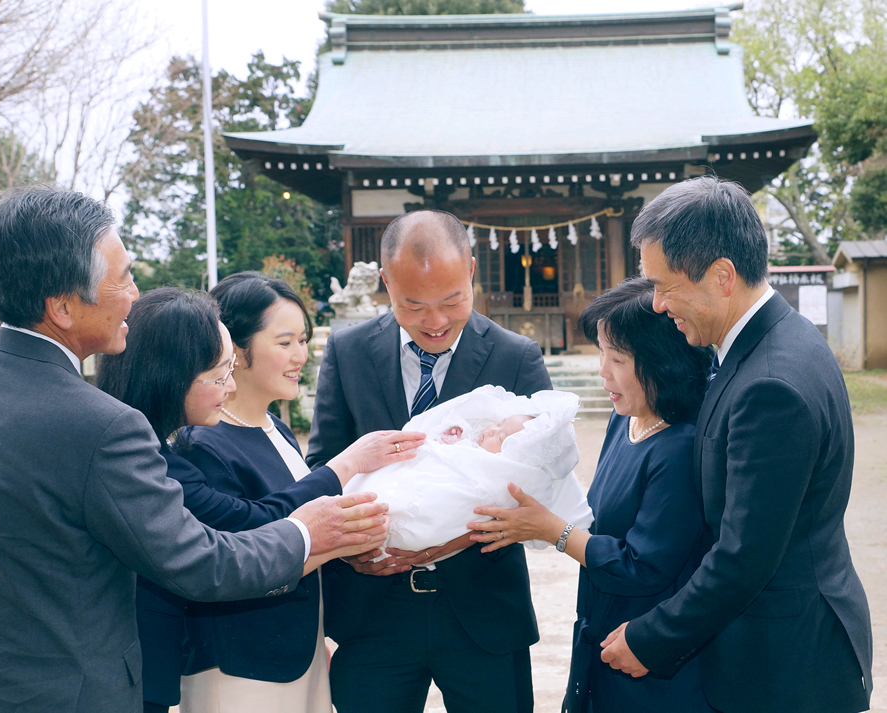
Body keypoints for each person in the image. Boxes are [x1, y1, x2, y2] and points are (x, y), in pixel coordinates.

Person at [0, 187, 390, 713]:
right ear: (63, 307)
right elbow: (201, 562)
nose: (136, 296)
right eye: (123, 279)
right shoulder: (102, 425)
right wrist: (308, 532)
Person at [599, 177, 873, 713]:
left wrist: (651, 637)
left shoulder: (770, 386)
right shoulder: (776, 339)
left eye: (665, 285)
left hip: (787, 666)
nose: (656, 305)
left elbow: (744, 557)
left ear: (722, 276)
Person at [97, 280, 421, 713]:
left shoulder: (276, 429)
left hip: (296, 649)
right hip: (239, 662)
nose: (299, 355)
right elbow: (241, 539)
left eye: (303, 340)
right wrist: (344, 468)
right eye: (285, 341)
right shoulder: (187, 447)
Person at [307, 209, 553, 713]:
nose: (435, 322)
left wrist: (447, 541)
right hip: (372, 612)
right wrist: (354, 546)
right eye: (412, 305)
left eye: (452, 301)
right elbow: (326, 469)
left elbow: (539, 481)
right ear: (385, 283)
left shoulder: (517, 357)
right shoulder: (348, 352)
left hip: (483, 608)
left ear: (471, 271)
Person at [468, 278, 713, 713]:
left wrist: (553, 530)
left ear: (663, 363)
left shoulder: (681, 447)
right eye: (601, 352)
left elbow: (644, 567)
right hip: (599, 630)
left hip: (647, 658)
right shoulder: (628, 419)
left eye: (616, 358)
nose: (603, 370)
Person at [343, 384, 592, 553]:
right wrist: (448, 438)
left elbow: (469, 492)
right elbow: (432, 447)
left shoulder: (502, 472)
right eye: (499, 423)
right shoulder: (470, 444)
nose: (492, 429)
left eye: (502, 437)